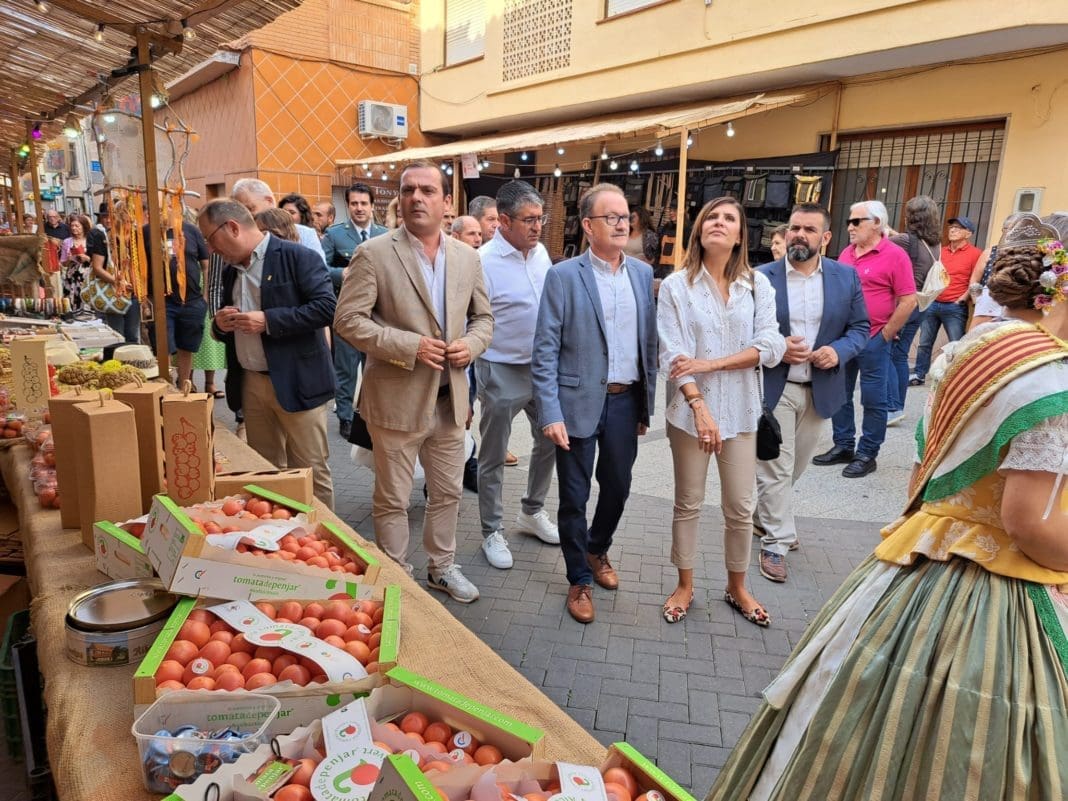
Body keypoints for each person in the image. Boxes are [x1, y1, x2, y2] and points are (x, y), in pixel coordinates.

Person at [706, 211, 1068, 801]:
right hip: (995, 590)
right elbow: (1027, 522)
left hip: (918, 559)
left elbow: (924, 478)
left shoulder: (968, 351)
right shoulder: (1049, 374)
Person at [333, 160, 494, 602]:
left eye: (427, 190)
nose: (416, 198)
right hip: (396, 400)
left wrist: (471, 345)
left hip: (450, 400)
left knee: (448, 492)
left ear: (447, 202)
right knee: (393, 498)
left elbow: (484, 319)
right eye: (408, 190)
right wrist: (409, 346)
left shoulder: (467, 257)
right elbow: (347, 320)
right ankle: (396, 575)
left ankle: (441, 567)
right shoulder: (374, 253)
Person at [531, 183, 657, 624]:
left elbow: (647, 343)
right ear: (587, 225)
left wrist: (645, 405)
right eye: (611, 217)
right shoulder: (564, 276)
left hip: (625, 400)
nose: (622, 224)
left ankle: (597, 547)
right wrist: (550, 412)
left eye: (625, 217)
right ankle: (579, 578)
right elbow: (544, 350)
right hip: (576, 401)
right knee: (574, 496)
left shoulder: (641, 274)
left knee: (618, 487)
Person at [657, 197, 786, 625]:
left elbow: (771, 345)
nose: (719, 222)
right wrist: (699, 405)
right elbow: (673, 354)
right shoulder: (677, 286)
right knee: (688, 502)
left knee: (741, 507)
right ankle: (685, 584)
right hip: (689, 412)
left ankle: (737, 586)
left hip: (742, 412)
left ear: (740, 235)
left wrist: (710, 364)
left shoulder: (757, 285)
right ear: (699, 229)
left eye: (729, 218)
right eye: (711, 216)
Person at [753, 204, 869, 584]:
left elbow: (860, 328)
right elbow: (745, 330)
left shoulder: (845, 277)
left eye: (809, 229)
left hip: (820, 388)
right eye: (794, 228)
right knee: (776, 465)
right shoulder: (761, 278)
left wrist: (838, 351)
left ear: (826, 237)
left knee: (796, 467)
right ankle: (776, 543)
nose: (799, 235)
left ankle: (763, 517)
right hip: (776, 386)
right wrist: (777, 347)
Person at [200, 199, 337, 507]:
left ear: (232, 228)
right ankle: (276, 530)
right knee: (265, 471)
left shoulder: (297, 257)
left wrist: (269, 320)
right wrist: (220, 324)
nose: (210, 248)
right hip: (251, 383)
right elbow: (226, 326)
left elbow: (327, 308)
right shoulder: (231, 270)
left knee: (311, 473)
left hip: (299, 381)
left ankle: (322, 533)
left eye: (210, 238)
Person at [474, 181, 559, 571]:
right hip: (500, 367)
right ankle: (492, 530)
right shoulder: (482, 262)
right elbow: (471, 320)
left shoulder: (540, 253)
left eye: (541, 218)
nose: (537, 226)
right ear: (503, 221)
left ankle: (532, 511)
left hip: (542, 368)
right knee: (493, 455)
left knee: (551, 440)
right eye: (529, 220)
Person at [814, 200, 915, 478]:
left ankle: (867, 453)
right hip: (845, 339)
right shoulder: (847, 253)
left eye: (857, 221)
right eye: (849, 221)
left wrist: (885, 334)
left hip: (874, 338)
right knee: (840, 394)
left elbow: (908, 300)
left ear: (877, 223)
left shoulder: (895, 255)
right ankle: (843, 445)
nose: (850, 226)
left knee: (873, 399)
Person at [321, 183, 390, 440]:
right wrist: (342, 273)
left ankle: (372, 415)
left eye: (363, 203)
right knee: (346, 368)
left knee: (376, 368)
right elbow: (320, 268)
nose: (359, 208)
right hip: (348, 312)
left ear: (372, 206)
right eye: (354, 204)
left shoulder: (385, 235)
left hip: (379, 313)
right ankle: (346, 417)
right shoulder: (334, 235)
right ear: (347, 206)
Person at [886, 195, 941, 423]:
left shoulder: (906, 240)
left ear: (911, 216)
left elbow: (878, 245)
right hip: (921, 304)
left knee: (888, 354)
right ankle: (897, 406)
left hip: (903, 304)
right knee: (900, 355)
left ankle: (891, 407)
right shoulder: (935, 243)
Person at [910, 215, 982, 386]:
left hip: (955, 306)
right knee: (924, 343)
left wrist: (962, 298)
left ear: (968, 233)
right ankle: (919, 374)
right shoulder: (940, 251)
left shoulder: (975, 254)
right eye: (951, 227)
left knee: (957, 343)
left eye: (958, 228)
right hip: (933, 303)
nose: (953, 230)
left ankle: (955, 377)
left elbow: (975, 280)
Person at [142, 215, 210, 388]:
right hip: (161, 301)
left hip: (192, 300)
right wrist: (144, 299)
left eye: (167, 206)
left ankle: (183, 386)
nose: (163, 212)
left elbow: (206, 265)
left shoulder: (191, 230)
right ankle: (166, 386)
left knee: (187, 346)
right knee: (163, 347)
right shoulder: (146, 232)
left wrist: (205, 296)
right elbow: (140, 266)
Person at [230, 178, 326, 265]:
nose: (245, 216)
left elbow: (319, 271)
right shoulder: (238, 239)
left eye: (250, 209)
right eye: (240, 212)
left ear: (269, 201)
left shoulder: (304, 234)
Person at [59, 214, 93, 311]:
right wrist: (69, 259)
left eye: (77, 226)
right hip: (72, 275)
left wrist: (87, 258)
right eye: (72, 226)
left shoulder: (90, 240)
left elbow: (97, 260)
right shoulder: (67, 242)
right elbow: (63, 262)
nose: (74, 228)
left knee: (88, 300)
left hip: (88, 274)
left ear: (84, 226)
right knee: (73, 299)